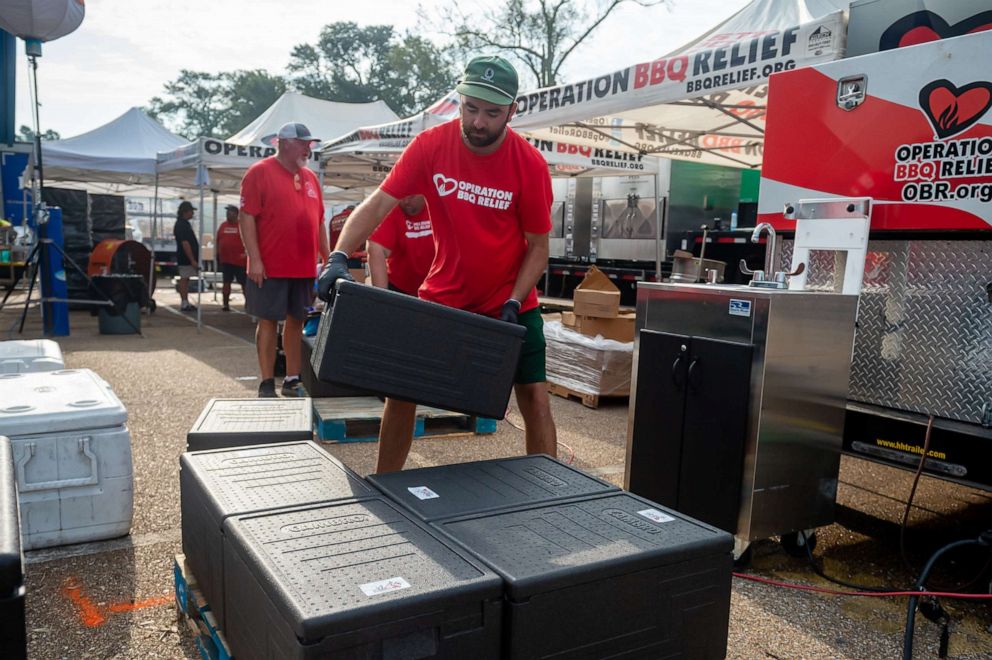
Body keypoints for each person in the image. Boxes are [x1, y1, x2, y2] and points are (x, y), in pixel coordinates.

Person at [318, 55, 557, 473]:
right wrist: (338, 255)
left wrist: (515, 301)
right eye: (471, 108)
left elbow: (539, 247)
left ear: (512, 112)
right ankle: (385, 483)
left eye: (492, 113)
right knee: (401, 391)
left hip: (511, 304)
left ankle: (547, 495)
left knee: (535, 397)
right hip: (444, 296)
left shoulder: (530, 166)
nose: (479, 122)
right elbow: (377, 206)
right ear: (459, 100)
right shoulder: (430, 146)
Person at [239, 122, 329, 398]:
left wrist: (328, 257)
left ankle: (291, 378)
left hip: (302, 266)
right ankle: (267, 381)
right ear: (285, 142)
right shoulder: (260, 172)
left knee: (296, 320)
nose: (308, 149)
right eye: (303, 143)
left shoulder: (311, 178)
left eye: (309, 144)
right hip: (270, 265)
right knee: (267, 320)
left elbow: (319, 221)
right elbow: (246, 216)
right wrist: (255, 258)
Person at [366, 194, 433, 295]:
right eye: (402, 196)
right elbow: (375, 248)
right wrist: (381, 299)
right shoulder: (391, 209)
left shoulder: (439, 205)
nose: (406, 201)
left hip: (438, 286)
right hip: (400, 287)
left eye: (411, 196)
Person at [216, 204, 247, 311]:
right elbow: (218, 240)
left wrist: (246, 253)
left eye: (231, 212)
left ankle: (249, 304)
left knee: (244, 284)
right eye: (227, 212)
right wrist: (217, 253)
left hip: (240, 261)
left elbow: (248, 240)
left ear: (236, 214)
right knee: (226, 283)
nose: (228, 214)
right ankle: (225, 304)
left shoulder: (241, 225)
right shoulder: (223, 226)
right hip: (226, 261)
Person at [173, 200, 199, 312]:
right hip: (185, 258)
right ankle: (184, 302)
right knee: (184, 279)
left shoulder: (184, 224)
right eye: (191, 211)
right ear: (185, 212)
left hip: (186, 257)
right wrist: (192, 259)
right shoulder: (181, 225)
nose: (192, 214)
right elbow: (185, 243)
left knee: (186, 279)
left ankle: (185, 301)